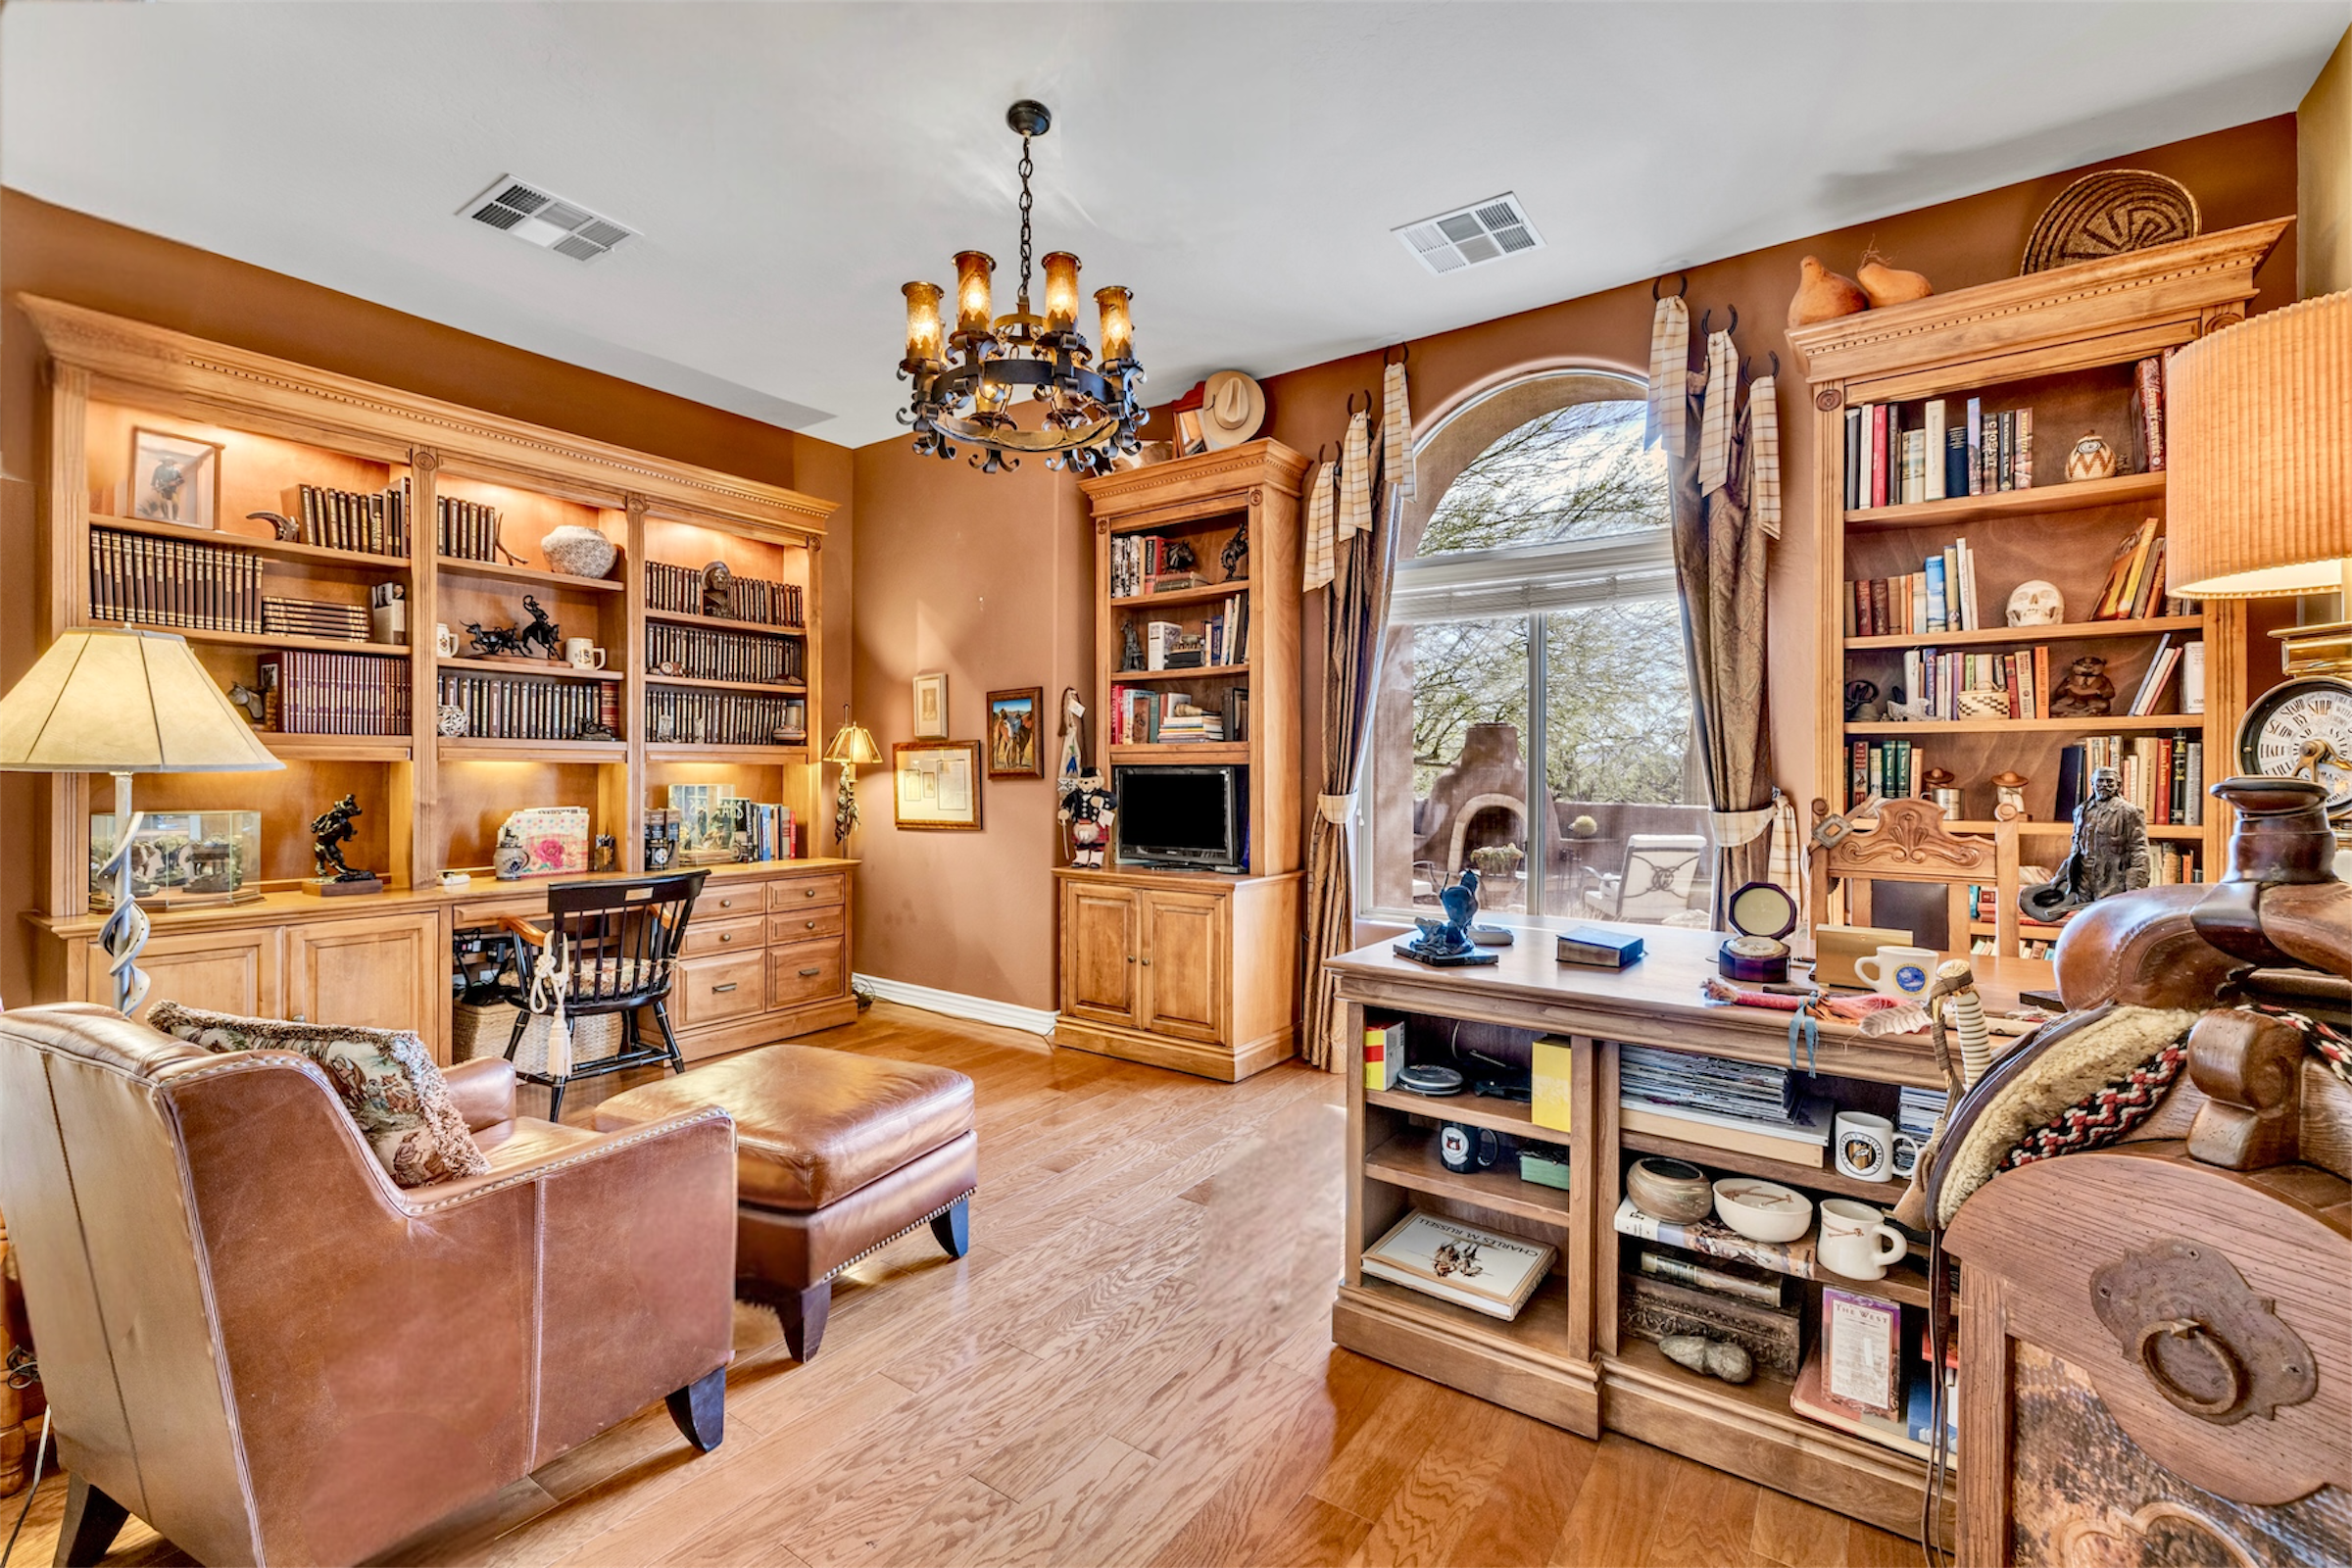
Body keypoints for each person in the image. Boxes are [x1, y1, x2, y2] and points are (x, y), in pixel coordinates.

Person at [2020, 766, 2148, 922]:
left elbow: (2139, 850)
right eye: (2100, 781)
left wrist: (2135, 889)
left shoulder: (2129, 812)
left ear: (2118, 785)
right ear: (2092, 784)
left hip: (2113, 876)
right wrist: (2064, 874)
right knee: (2086, 920)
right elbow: (2076, 846)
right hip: (2084, 876)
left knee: (2111, 919)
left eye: (2109, 781)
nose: (2104, 785)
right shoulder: (2081, 810)